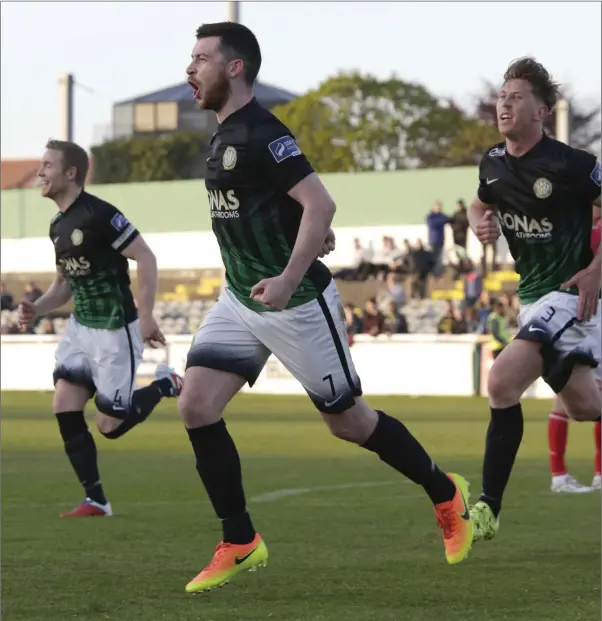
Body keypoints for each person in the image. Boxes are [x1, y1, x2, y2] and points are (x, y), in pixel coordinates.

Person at [180, 21, 473, 594]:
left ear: (235, 67)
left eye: (200, 58)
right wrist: (305, 236)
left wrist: (292, 274)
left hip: (297, 303)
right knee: (196, 405)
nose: (189, 69)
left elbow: (321, 201)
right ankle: (240, 541)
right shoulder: (220, 136)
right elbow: (284, 210)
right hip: (242, 299)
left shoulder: (264, 132)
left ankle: (446, 493)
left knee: (348, 422)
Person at [467, 57, 601, 542]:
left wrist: (594, 271)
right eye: (502, 95)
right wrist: (476, 222)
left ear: (542, 112)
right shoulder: (494, 164)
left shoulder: (573, 165)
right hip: (532, 297)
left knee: (501, 382)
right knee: (585, 407)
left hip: (566, 296)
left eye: (517, 96)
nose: (505, 103)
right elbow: (481, 201)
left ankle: (487, 506)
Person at [18, 140, 183, 518]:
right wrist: (37, 308)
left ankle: (164, 384)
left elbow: (145, 255)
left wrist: (146, 315)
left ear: (70, 173)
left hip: (115, 329)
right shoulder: (58, 226)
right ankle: (96, 499)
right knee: (64, 404)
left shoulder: (100, 215)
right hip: (81, 329)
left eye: (47, 165)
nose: (40, 172)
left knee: (110, 425)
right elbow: (63, 285)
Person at [547, 208, 602, 493]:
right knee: (585, 393)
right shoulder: (588, 230)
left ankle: (560, 475)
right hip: (589, 311)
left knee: (563, 395)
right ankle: (596, 473)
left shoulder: (567, 225)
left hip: (567, 310)